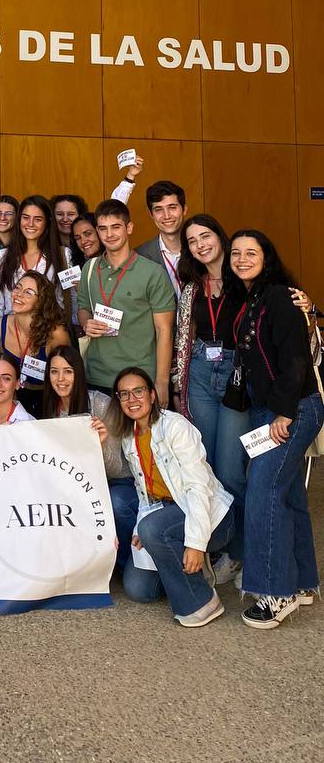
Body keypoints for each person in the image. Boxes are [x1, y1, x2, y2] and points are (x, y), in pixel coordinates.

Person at [228, 229, 324, 628]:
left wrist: (283, 413)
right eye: (236, 253)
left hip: (292, 411)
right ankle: (302, 583)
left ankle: (274, 593)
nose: (242, 258)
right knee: (287, 495)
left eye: (251, 252)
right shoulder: (253, 297)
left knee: (264, 490)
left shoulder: (280, 296)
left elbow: (296, 359)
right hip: (271, 410)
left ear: (267, 257)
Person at [98, 366, 233, 627]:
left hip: (213, 518)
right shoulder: (130, 436)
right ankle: (183, 570)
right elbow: (142, 491)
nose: (131, 400)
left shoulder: (175, 427)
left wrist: (195, 543)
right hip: (169, 515)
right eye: (124, 394)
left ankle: (202, 602)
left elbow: (198, 488)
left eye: (138, 391)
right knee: (139, 590)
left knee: (153, 529)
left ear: (151, 394)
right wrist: (140, 528)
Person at [171, 214, 248, 582]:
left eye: (206, 236)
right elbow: (184, 338)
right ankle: (215, 544)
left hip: (237, 375)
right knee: (206, 466)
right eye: (192, 241)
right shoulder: (192, 287)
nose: (201, 244)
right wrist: (177, 387)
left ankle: (238, 552)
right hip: (201, 373)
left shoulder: (246, 279)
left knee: (233, 469)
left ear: (220, 235)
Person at [41, 346, 136, 570]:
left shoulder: (101, 404)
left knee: (116, 503)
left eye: (68, 371)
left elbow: (117, 469)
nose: (61, 379)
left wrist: (101, 444)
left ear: (78, 373)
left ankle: (128, 562)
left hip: (115, 483)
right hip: (77, 484)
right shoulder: (48, 410)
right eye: (54, 372)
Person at [77, 199, 175, 405]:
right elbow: (84, 307)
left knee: (139, 438)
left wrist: (162, 382)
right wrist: (87, 322)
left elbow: (164, 330)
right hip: (96, 375)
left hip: (139, 378)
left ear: (129, 228)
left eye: (115, 227)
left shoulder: (153, 273)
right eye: (103, 229)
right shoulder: (89, 268)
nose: (109, 234)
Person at [0, 271, 71, 416]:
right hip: (14, 399)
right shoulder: (1, 324)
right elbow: (2, 366)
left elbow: (68, 377)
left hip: (48, 400)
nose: (19, 294)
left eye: (28, 293)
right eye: (18, 288)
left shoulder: (56, 334)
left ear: (41, 301)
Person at [0, 194, 64, 321]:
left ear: (48, 222)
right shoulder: (2, 257)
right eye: (25, 218)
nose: (30, 224)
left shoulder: (63, 255)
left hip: (47, 332)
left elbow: (69, 303)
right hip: (11, 333)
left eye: (38, 219)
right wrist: (4, 329)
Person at [137, 180, 186, 298]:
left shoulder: (202, 250)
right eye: (158, 210)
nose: (167, 216)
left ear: (184, 209)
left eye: (172, 207)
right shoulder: (139, 257)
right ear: (151, 214)